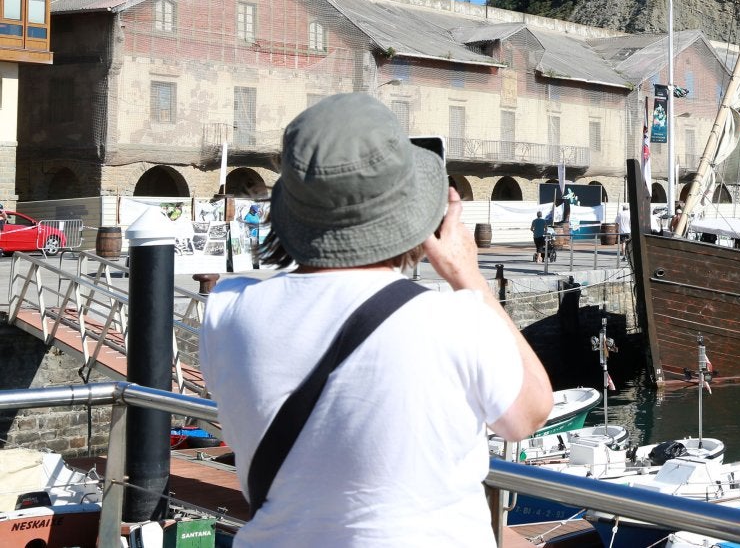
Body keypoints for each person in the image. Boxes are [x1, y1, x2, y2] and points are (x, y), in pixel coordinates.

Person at [199, 93, 551, 545]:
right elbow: (529, 413)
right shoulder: (453, 319)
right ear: (410, 213)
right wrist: (467, 275)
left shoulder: (227, 311)